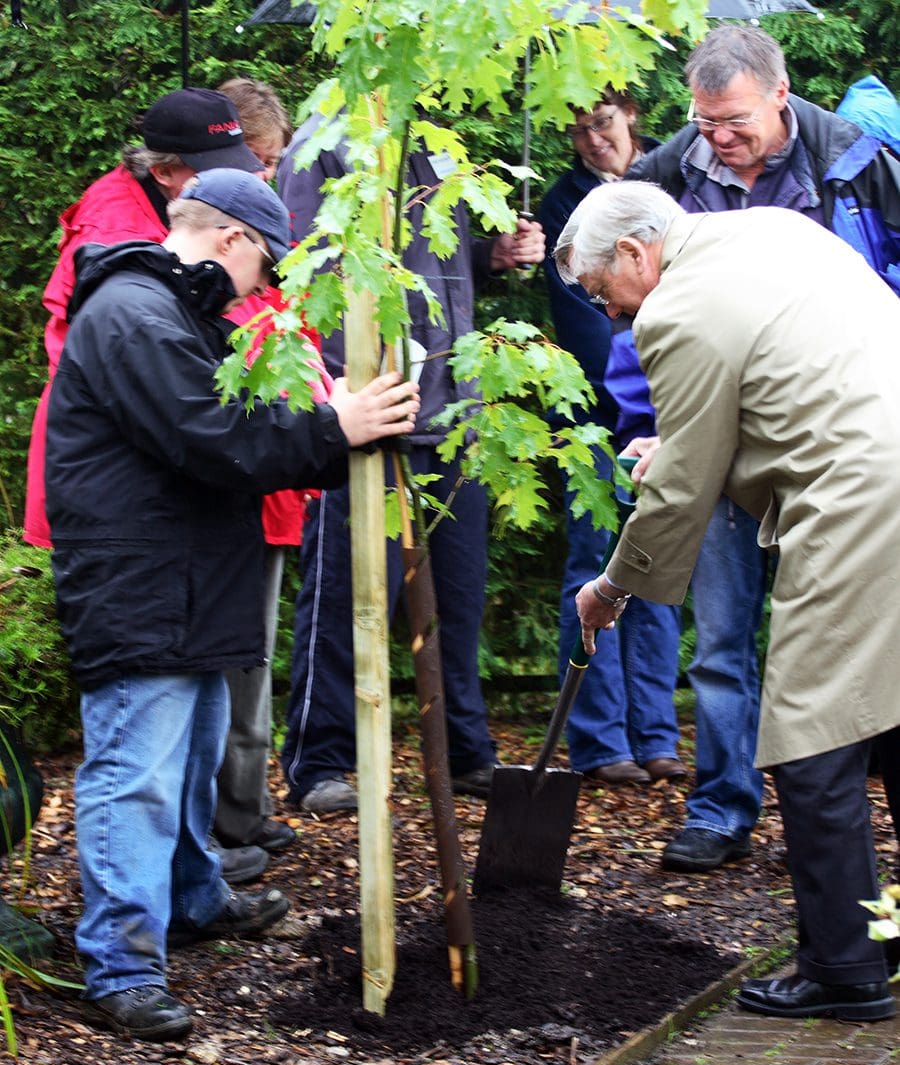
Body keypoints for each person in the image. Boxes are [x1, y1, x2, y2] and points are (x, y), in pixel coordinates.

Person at [44, 169, 420, 1040]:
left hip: (189, 580)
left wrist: (332, 430)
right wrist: (336, 429)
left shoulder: (173, 313)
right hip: (143, 585)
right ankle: (122, 963)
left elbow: (231, 433)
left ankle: (191, 896)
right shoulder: (134, 315)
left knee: (192, 754)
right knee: (136, 772)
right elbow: (209, 436)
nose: (268, 287)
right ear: (231, 241)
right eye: (268, 264)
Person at [561, 180, 900, 1022]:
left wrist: (611, 588)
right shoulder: (776, 231)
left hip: (860, 504)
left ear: (637, 254)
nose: (610, 316)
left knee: (814, 736)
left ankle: (846, 968)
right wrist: (683, 452)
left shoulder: (674, 313)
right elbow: (792, 383)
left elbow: (681, 495)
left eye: (604, 292)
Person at [614, 25, 900, 871]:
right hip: (705, 442)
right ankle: (724, 806)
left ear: (781, 94)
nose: (719, 137)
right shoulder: (662, 181)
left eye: (733, 119)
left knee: (839, 644)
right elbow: (637, 323)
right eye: (704, 122)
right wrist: (651, 425)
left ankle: (832, 820)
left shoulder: (857, 161)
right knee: (724, 635)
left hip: (833, 444)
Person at [23, 86, 274, 884]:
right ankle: (128, 941)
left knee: (198, 715)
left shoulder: (175, 251)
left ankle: (191, 882)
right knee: (141, 746)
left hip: (180, 522)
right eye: (212, 171)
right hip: (136, 525)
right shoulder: (122, 252)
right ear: (169, 176)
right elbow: (150, 401)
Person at [277, 113, 545, 813]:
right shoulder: (323, 149)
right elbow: (308, 277)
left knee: (458, 600)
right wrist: (344, 400)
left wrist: (496, 253)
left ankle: (463, 749)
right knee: (344, 598)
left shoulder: (437, 147)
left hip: (454, 414)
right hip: (372, 412)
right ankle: (320, 760)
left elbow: (440, 270)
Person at [537, 90, 684, 787]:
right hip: (594, 416)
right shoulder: (562, 204)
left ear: (628, 114)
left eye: (601, 124)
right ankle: (601, 742)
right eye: (578, 130)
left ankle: (657, 733)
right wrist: (637, 372)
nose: (593, 140)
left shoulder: (665, 186)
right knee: (595, 568)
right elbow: (590, 322)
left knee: (660, 565)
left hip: (668, 409)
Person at [211, 77, 305, 857]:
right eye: (262, 164)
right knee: (232, 657)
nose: (272, 180)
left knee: (253, 655)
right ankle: (225, 823)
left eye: (276, 165)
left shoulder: (260, 251)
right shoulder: (203, 259)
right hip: (235, 481)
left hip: (269, 486)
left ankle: (244, 809)